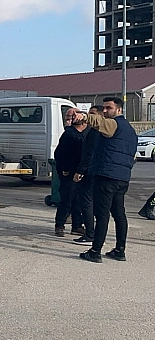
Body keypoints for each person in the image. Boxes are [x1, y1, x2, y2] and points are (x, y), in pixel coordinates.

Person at [72, 97, 138, 263]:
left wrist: (84, 116)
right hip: (122, 178)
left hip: (106, 176)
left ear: (119, 110)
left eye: (109, 108)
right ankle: (120, 250)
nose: (106, 111)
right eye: (105, 108)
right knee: (119, 214)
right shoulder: (130, 131)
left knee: (101, 215)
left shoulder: (113, 124)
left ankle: (95, 251)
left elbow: (98, 122)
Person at [72, 105, 104, 245]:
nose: (89, 116)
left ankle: (90, 233)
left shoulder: (95, 132)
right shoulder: (93, 131)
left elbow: (89, 153)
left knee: (87, 202)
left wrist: (80, 170)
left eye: (92, 114)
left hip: (90, 171)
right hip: (96, 170)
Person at [53, 107, 87, 237]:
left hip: (81, 171)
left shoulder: (85, 133)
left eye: (75, 115)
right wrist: (64, 169)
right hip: (69, 172)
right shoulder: (69, 133)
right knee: (67, 200)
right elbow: (60, 153)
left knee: (78, 201)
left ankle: (77, 225)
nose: (73, 117)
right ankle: (60, 225)